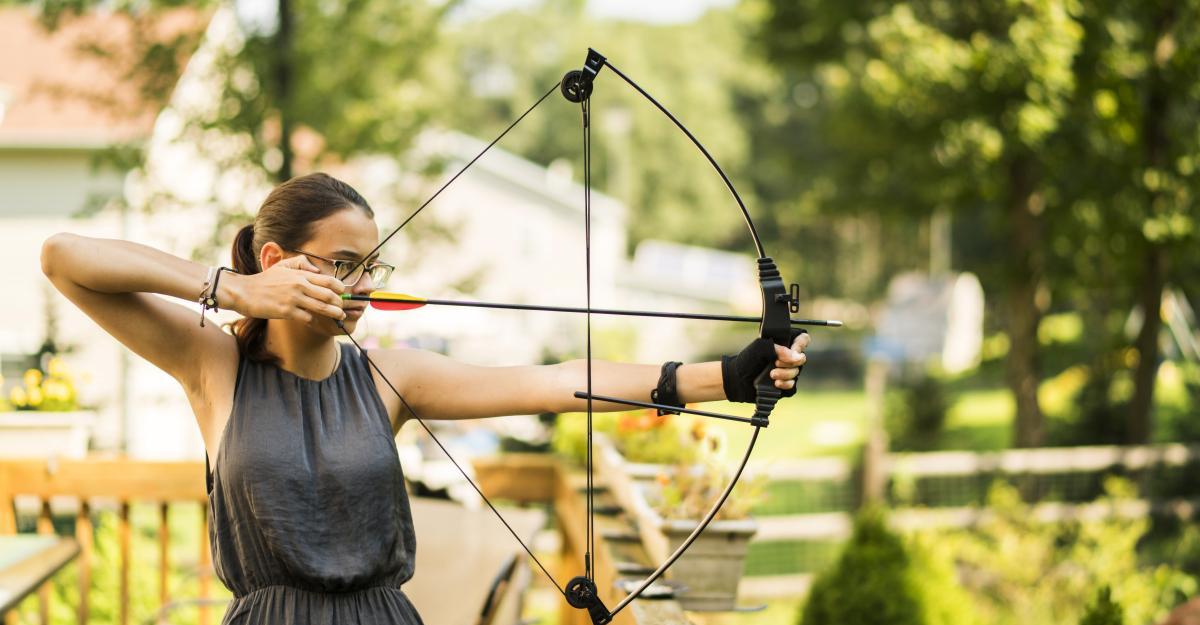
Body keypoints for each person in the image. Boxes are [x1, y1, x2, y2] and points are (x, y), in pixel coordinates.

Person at [39, 172, 809, 624]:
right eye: (344, 263)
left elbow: (556, 383)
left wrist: (730, 376)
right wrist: (232, 288)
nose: (365, 286)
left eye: (372, 265)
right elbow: (63, 257)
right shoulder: (215, 365)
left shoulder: (388, 374)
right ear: (277, 259)